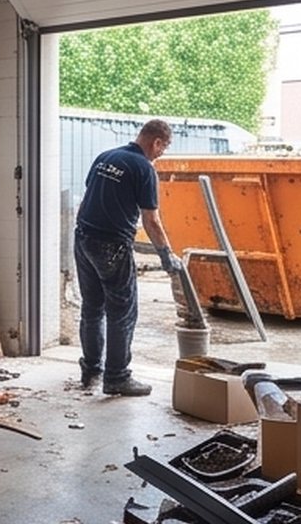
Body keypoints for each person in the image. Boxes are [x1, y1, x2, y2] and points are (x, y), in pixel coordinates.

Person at [74, 119, 183, 397]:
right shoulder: (144, 168)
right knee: (123, 312)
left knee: (92, 307)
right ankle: (117, 377)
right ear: (156, 141)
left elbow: (89, 198)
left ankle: (90, 371)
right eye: (164, 147)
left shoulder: (106, 157)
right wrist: (166, 254)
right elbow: (151, 220)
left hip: (84, 237)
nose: (162, 153)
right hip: (112, 245)